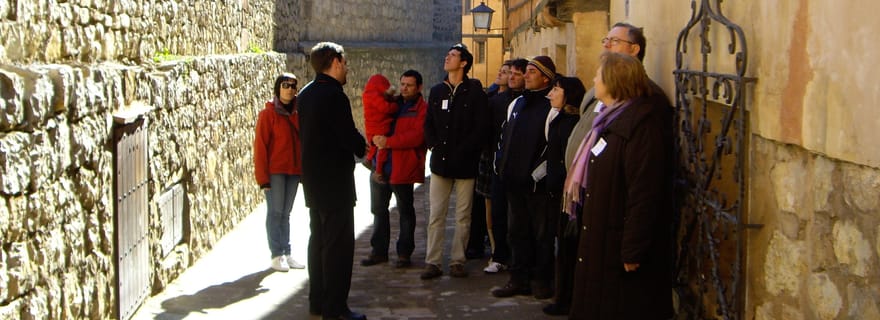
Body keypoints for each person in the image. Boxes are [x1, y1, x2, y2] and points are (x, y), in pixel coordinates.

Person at [566, 52, 674, 320]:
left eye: (599, 74)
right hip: (600, 237)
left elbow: (644, 194)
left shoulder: (640, 127)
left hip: (616, 244)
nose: (593, 79)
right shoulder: (610, 120)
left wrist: (632, 248)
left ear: (614, 81)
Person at [297, 42, 368, 320]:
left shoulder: (306, 94)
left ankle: (318, 301)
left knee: (318, 242)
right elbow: (347, 135)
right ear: (336, 62)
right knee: (338, 247)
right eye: (345, 62)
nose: (347, 68)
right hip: (335, 183)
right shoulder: (334, 95)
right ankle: (336, 308)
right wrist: (362, 146)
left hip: (314, 182)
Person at [422, 43, 490, 280]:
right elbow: (428, 122)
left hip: (465, 165)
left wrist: (465, 151)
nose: (447, 58)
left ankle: (457, 261)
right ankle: (433, 262)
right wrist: (433, 145)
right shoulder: (437, 91)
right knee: (436, 215)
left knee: (463, 216)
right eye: (448, 54)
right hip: (440, 165)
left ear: (463, 63)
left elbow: (481, 128)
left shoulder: (475, 94)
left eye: (452, 55)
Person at [491, 56, 556, 300]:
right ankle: (518, 278)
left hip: (537, 187)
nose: (525, 76)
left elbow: (552, 149)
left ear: (545, 78)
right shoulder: (516, 104)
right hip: (512, 183)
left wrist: (536, 177)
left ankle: (541, 280)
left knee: (541, 235)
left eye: (531, 72)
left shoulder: (552, 107)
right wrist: (501, 166)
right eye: (525, 72)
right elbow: (504, 137)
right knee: (516, 233)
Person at [565, 22, 669, 169]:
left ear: (634, 49)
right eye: (606, 41)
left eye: (614, 41)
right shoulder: (601, 88)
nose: (606, 46)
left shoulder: (646, 94)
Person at [360, 70, 428, 269]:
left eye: (409, 85)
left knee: (405, 211)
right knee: (379, 210)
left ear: (419, 88)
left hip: (403, 167)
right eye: (403, 84)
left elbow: (416, 136)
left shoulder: (421, 109)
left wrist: (388, 142)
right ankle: (378, 251)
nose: (404, 88)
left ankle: (404, 253)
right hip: (380, 165)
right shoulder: (393, 104)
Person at [253, 72, 307, 272]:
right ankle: (276, 254)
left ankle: (287, 251)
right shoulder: (268, 114)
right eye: (285, 85)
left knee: (286, 213)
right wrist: (263, 178)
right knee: (275, 212)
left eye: (293, 86)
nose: (290, 89)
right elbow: (260, 147)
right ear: (278, 88)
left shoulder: (297, 114)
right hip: (275, 172)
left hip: (292, 171)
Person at [540, 76, 585, 315]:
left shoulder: (571, 123)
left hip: (567, 195)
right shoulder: (561, 120)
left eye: (556, 89)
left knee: (568, 248)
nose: (551, 93)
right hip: (556, 191)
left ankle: (566, 298)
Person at [482, 58, 528, 274]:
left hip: (521, 169)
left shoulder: (529, 103)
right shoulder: (497, 102)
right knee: (499, 213)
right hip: (498, 165)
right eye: (510, 73)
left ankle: (520, 258)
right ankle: (499, 255)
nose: (511, 77)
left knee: (518, 216)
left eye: (517, 74)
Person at [362, 74, 398, 183]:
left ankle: (368, 159)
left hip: (371, 126)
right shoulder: (374, 96)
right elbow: (384, 108)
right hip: (380, 126)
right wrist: (394, 106)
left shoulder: (367, 94)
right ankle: (379, 171)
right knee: (382, 148)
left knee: (373, 145)